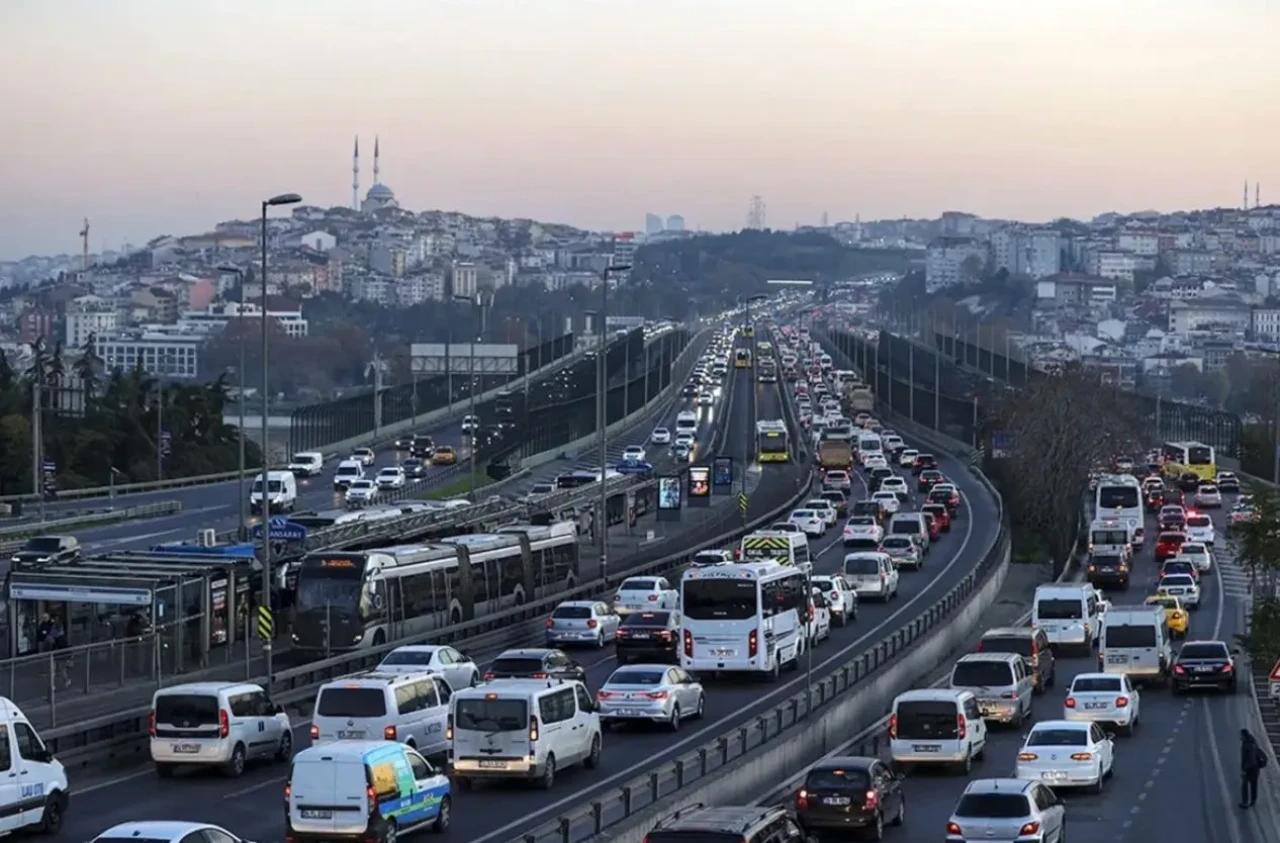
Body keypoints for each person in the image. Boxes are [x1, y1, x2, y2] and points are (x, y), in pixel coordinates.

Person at [1240, 728, 1268, 808]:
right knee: (1253, 785)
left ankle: (1245, 802)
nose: (1240, 736)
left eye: (1241, 735)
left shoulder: (1247, 745)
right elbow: (1262, 754)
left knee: (1245, 785)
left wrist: (1244, 769)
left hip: (1249, 768)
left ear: (1244, 735)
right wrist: (1261, 764)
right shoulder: (1253, 743)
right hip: (1255, 769)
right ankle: (1253, 801)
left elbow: (1248, 759)